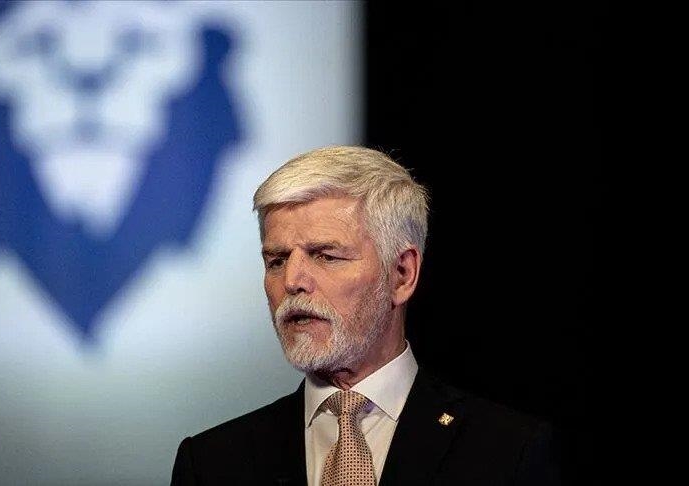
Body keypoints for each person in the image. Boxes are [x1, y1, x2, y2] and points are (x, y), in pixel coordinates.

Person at [171, 146, 560, 485]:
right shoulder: (210, 463)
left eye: (326, 256)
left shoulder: (509, 451)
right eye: (276, 260)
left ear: (402, 274)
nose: (292, 281)